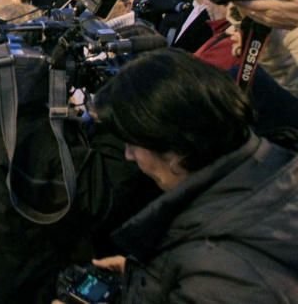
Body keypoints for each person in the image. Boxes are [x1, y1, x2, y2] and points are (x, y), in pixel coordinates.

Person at [90, 50, 298, 302]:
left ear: (175, 151)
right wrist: (160, 278)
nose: (128, 156)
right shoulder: (276, 169)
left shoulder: (219, 273)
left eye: (133, 145)